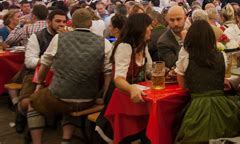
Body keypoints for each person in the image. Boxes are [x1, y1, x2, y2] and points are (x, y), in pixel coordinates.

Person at [27, 9, 112, 144]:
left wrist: (40, 82)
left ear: (72, 23)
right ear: (90, 24)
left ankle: (37, 142)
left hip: (59, 97)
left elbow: (44, 64)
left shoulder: (59, 38)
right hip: (88, 98)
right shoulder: (105, 43)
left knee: (33, 102)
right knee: (71, 102)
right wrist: (104, 97)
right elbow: (108, 75)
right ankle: (66, 140)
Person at [175, 20, 240, 142]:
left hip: (197, 107)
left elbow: (182, 85)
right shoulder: (222, 56)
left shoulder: (185, 54)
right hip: (222, 106)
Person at [96, 13, 153, 143]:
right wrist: (131, 88)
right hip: (121, 97)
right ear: (139, 29)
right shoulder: (124, 47)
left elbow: (149, 72)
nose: (151, 29)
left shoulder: (143, 46)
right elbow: (119, 79)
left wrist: (163, 72)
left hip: (139, 96)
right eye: (148, 26)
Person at [15, 10, 67, 133]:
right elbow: (29, 61)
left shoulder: (68, 35)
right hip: (35, 73)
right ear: (49, 22)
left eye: (64, 21)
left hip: (58, 75)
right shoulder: (37, 36)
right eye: (58, 21)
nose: (61, 24)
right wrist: (47, 60)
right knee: (27, 101)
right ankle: (21, 115)